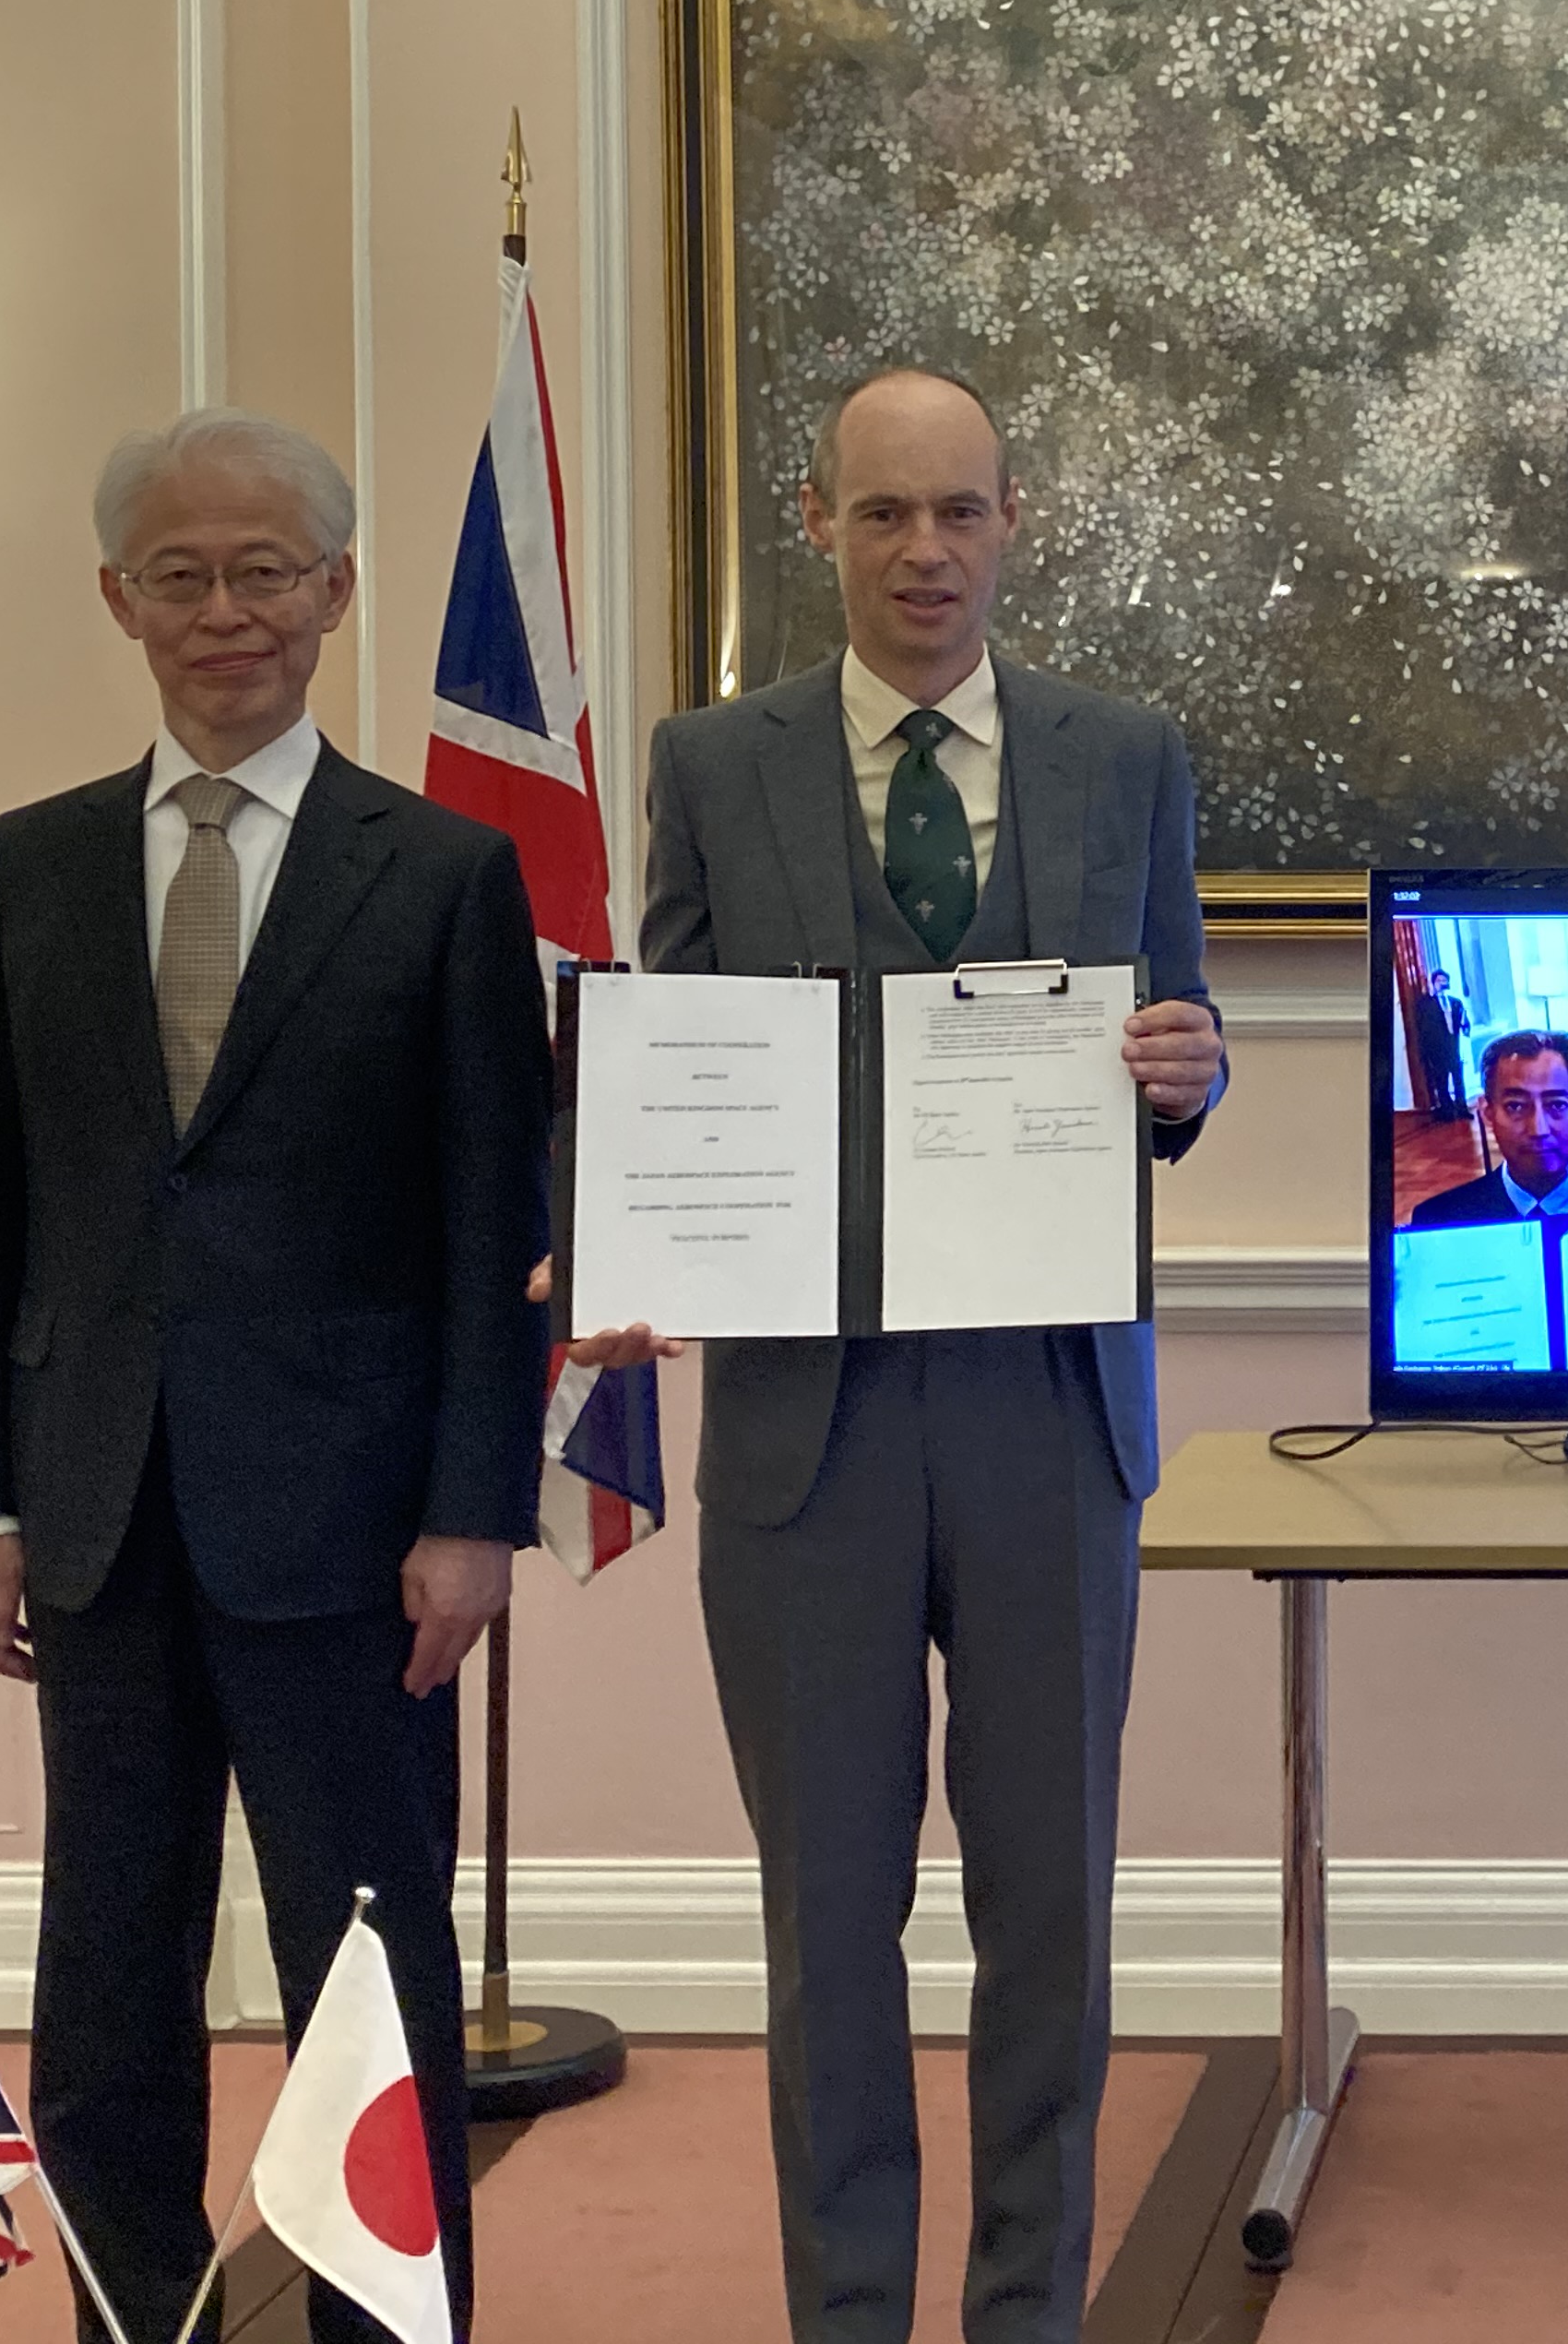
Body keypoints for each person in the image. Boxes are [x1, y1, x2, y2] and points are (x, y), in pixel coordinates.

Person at [568, 364, 1226, 2344]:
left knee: (1053, 1919)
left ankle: (1027, 2312)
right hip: (806, 1435)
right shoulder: (712, 762)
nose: (924, 551)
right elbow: (672, 1049)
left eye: (959, 512)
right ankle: (847, 2316)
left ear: (1015, 519)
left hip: (1047, 1410)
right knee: (824, 1930)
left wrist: (1186, 1072)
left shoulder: (1128, 755)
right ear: (818, 523)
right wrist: (624, 1230)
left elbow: (1170, 1037)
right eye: (883, 515)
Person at [0, 410, 549, 2344]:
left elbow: (487, 1228)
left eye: (267, 570)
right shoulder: (26, 869)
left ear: (337, 593)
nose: (228, 611)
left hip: (357, 1539)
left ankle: (388, 2327)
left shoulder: (445, 875)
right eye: (182, 574)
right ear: (121, 601)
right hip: (93, 1517)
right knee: (106, 1984)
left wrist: (476, 1514)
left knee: (363, 1982)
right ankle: (137, 2311)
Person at [1406, 1029, 1568, 1227]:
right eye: (1516, 1107)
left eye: (1556, 1105)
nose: (1538, 1129)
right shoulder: (1438, 1220)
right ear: (1488, 1113)